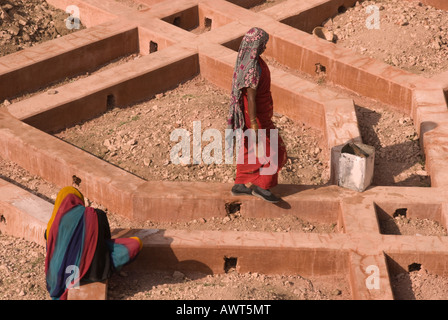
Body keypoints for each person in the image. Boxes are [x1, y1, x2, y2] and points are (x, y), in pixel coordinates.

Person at [44, 186, 142, 300]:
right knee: (135, 244)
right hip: (97, 272)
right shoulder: (96, 214)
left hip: (65, 275)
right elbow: (106, 238)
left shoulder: (53, 225)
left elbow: (50, 249)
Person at [227, 27, 287, 203]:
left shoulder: (247, 61)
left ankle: (240, 184)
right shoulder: (253, 67)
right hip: (255, 116)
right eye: (263, 44)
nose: (264, 48)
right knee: (273, 148)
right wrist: (254, 124)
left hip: (254, 114)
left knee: (250, 148)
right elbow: (251, 97)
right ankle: (263, 187)